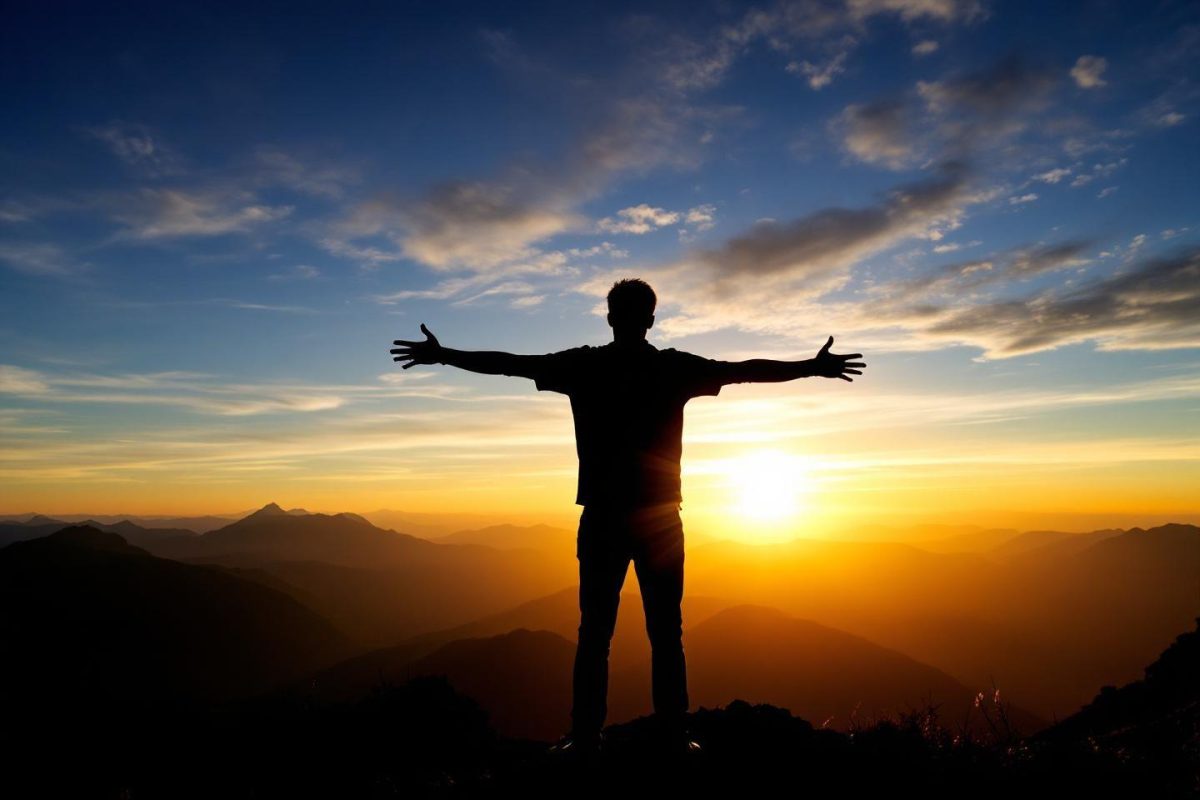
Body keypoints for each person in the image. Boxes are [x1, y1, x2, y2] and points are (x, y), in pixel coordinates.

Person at [390, 278, 865, 757]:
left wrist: (444, 355)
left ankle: (585, 738)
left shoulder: (583, 366)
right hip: (661, 522)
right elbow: (744, 371)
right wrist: (811, 367)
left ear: (610, 317)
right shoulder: (672, 368)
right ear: (651, 320)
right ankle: (673, 735)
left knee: (595, 632)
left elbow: (511, 364)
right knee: (666, 631)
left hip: (603, 517)